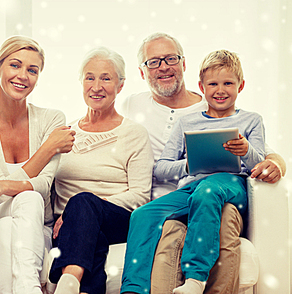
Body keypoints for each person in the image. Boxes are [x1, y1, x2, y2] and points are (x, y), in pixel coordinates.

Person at [120, 32, 286, 293]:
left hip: (230, 186)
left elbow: (259, 162)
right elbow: (162, 168)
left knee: (209, 191)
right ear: (202, 85)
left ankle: (195, 278)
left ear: (240, 86)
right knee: (143, 214)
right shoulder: (188, 122)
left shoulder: (252, 120)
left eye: (228, 84)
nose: (220, 91)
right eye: (213, 85)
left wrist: (246, 150)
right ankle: (133, 289)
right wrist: (189, 164)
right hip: (192, 186)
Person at [0, 35, 75, 294]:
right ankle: (30, 288)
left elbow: (44, 186)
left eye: (32, 70)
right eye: (15, 65)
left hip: (33, 226)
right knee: (28, 198)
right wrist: (48, 148)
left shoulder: (52, 119)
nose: (23, 75)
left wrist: (3, 185)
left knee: (8, 228)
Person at [48, 47, 154, 294]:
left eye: (106, 78)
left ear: (121, 85)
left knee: (83, 202)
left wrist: (82, 209)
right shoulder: (65, 133)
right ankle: (80, 288)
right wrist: (76, 216)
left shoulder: (134, 133)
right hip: (68, 228)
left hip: (118, 218)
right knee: (90, 235)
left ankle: (66, 283)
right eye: (90, 77)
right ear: (81, 82)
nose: (97, 86)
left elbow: (140, 196)